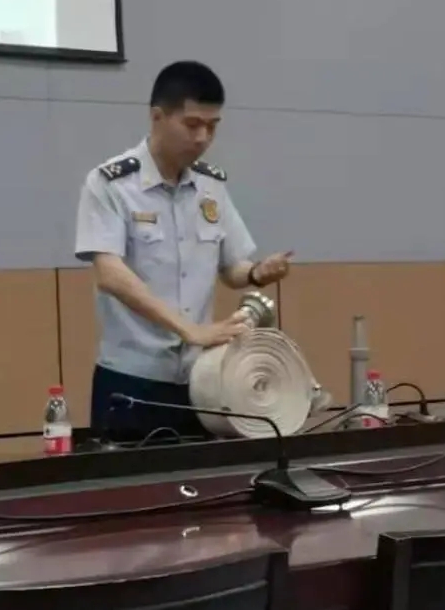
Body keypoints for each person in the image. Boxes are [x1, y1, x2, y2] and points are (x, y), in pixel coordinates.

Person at [73, 60, 294, 442]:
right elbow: (110, 274)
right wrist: (190, 331)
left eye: (212, 126)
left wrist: (257, 273)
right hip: (132, 380)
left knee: (204, 477)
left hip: (201, 379)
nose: (203, 138)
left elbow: (232, 267)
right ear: (157, 117)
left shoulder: (211, 186)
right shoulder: (111, 184)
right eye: (192, 124)